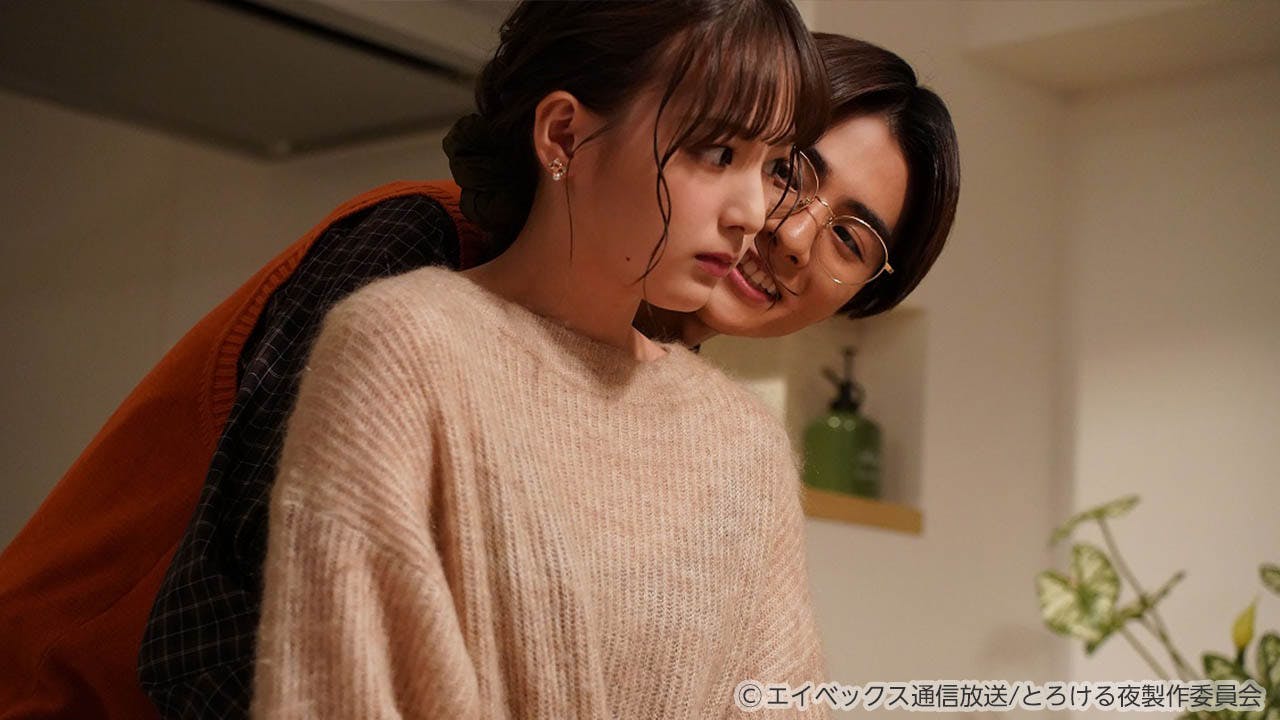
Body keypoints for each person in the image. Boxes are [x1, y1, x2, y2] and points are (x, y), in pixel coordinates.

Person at [0, 25, 959, 720]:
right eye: (784, 168)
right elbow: (220, 637)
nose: (785, 231)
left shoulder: (713, 432)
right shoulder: (419, 261)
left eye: (852, 238)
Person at [249, 0, 831, 717]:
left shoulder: (743, 444)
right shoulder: (404, 349)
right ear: (564, 135)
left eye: (775, 167)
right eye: (718, 154)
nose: (753, 212)